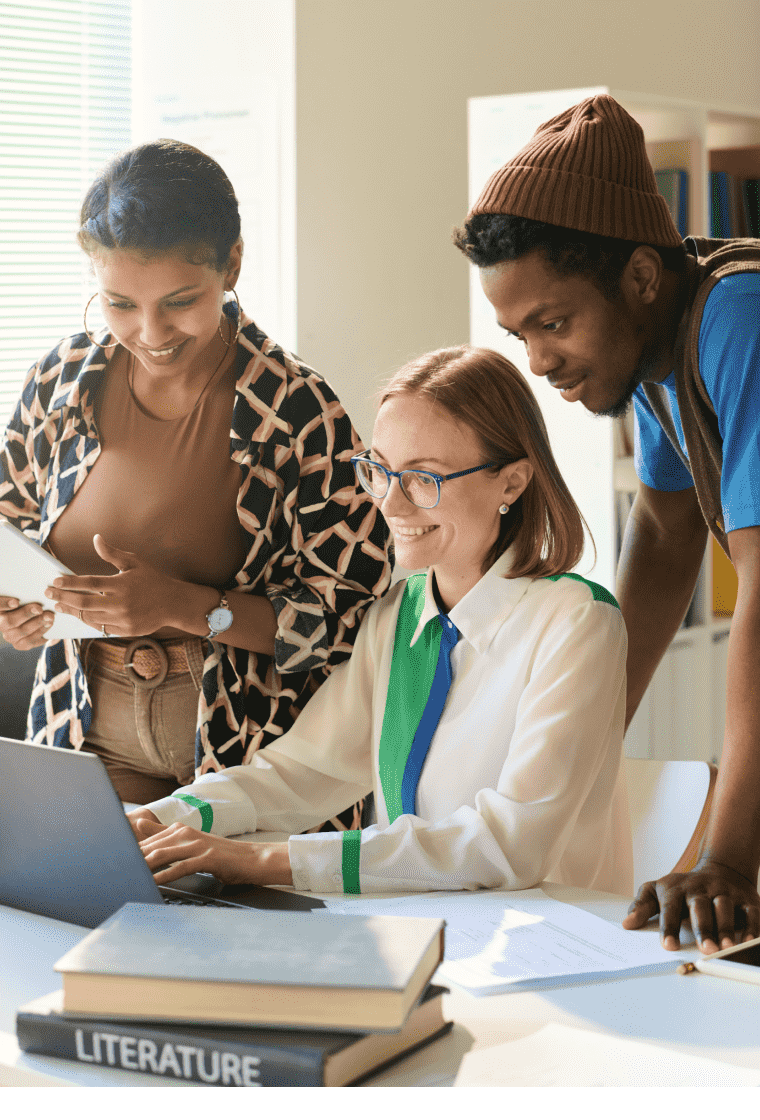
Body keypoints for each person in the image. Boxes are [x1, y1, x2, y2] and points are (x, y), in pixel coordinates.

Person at [128, 345, 632, 897]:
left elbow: (509, 846)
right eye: (380, 471)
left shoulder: (577, 623)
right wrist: (169, 817)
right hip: (420, 932)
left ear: (510, 483)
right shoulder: (399, 614)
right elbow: (301, 773)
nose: (390, 505)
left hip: (549, 949)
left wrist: (260, 860)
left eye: (423, 478)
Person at [0, 139, 391, 816]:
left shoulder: (298, 410)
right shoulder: (59, 384)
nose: (151, 332)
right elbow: (10, 532)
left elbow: (349, 623)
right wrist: (16, 610)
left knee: (230, 922)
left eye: (180, 301)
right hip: (85, 732)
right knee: (89, 916)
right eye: (119, 304)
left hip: (249, 756)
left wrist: (182, 606)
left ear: (232, 263)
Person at [453, 93, 760, 952]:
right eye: (520, 335)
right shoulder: (659, 355)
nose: (540, 361)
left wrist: (731, 862)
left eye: (554, 323)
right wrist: (578, 742)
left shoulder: (739, 319)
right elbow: (664, 543)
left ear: (639, 278)